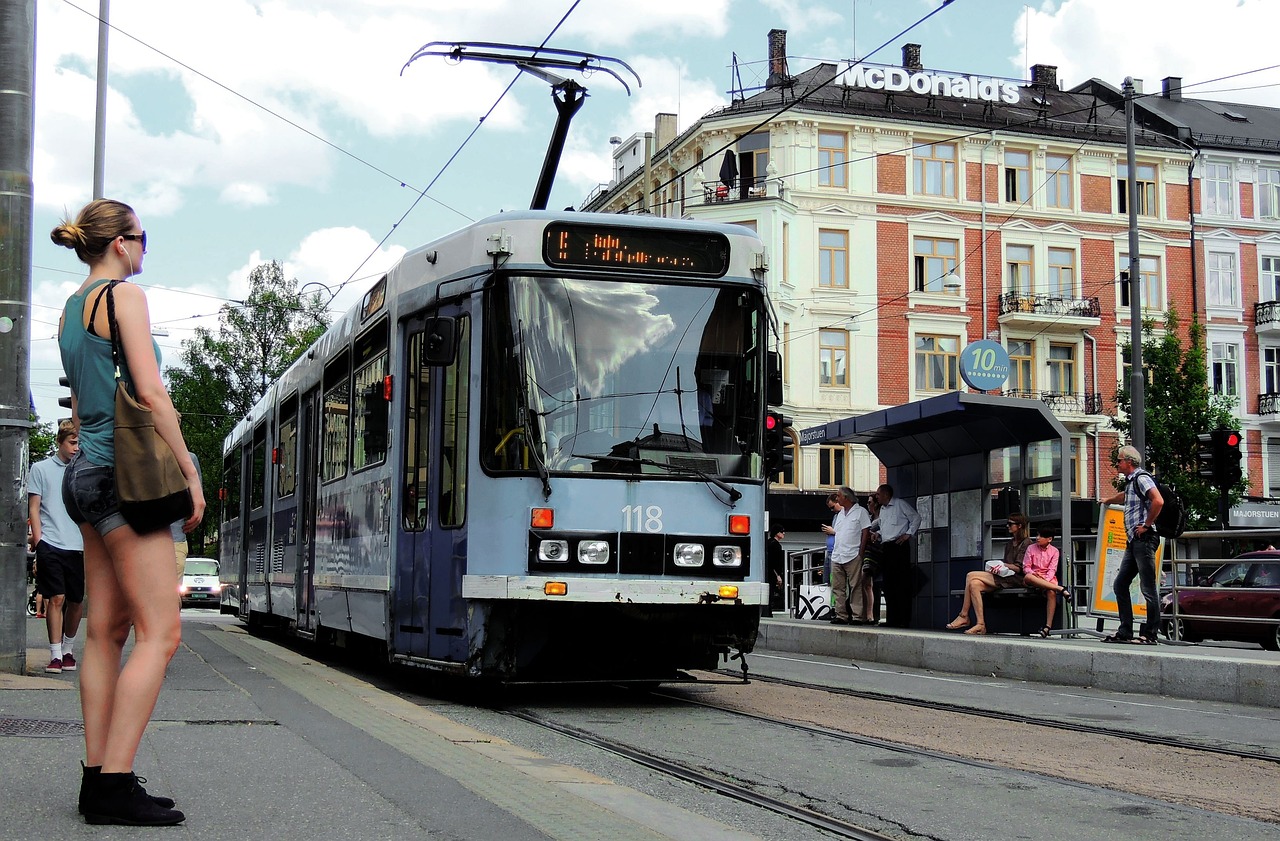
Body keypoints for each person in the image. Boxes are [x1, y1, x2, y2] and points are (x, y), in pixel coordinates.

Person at [53, 198, 204, 826]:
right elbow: (149, 391)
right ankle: (114, 785)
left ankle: (98, 778)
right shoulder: (124, 298)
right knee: (161, 634)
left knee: (106, 632)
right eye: (143, 239)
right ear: (120, 243)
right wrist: (190, 469)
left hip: (83, 475)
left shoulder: (69, 309)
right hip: (126, 479)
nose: (145, 251)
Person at [29, 421, 86, 674]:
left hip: (78, 544)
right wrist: (39, 542)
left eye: (79, 444)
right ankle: (55, 654)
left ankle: (68, 649)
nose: (76, 448)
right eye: (72, 443)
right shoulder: (40, 469)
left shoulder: (83, 469)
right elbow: (34, 508)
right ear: (60, 442)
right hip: (50, 542)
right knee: (56, 597)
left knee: (75, 601)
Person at [1101, 445, 1164, 645]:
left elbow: (1158, 501)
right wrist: (1108, 500)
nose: (1117, 463)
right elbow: (1125, 497)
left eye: (1119, 460)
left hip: (1144, 540)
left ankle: (1150, 634)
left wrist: (1147, 525)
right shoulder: (1131, 483)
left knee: (1147, 587)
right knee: (1120, 584)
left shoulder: (1141, 478)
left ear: (1129, 461)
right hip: (1134, 541)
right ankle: (1125, 631)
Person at [946, 513, 1032, 635]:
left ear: (1019, 526)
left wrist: (1002, 565)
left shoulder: (1027, 543)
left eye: (1010, 524)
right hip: (1005, 577)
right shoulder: (1009, 543)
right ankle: (980, 624)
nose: (1007, 526)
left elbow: (1019, 568)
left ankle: (964, 615)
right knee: (974, 584)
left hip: (1016, 578)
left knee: (971, 575)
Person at [874, 483, 920, 628]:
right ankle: (891, 619)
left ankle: (903, 620)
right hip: (887, 546)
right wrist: (877, 534)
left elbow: (916, 518)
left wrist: (909, 534)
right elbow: (885, 528)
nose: (877, 497)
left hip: (899, 545)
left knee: (902, 584)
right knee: (888, 584)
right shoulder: (882, 509)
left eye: (878, 494)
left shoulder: (900, 504)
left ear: (886, 495)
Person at [824, 486, 870, 625]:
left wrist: (860, 552)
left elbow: (865, 532)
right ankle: (841, 615)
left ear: (846, 497)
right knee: (838, 587)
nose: (837, 498)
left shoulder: (861, 512)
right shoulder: (840, 514)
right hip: (838, 554)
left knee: (855, 586)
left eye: (839, 496)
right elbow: (838, 532)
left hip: (853, 553)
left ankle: (857, 616)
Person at [1022, 525, 1068, 637]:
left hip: (1048, 578)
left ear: (1050, 539)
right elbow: (1026, 567)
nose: (1038, 538)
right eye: (1037, 535)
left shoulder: (1055, 551)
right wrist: (1034, 574)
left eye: (1041, 536)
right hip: (1033, 577)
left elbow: (1052, 569)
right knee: (1028, 577)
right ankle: (1061, 589)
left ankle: (1047, 627)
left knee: (1051, 592)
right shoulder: (1031, 548)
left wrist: (1045, 580)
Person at [170, 446, 202, 580]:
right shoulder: (188, 459)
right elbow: (196, 506)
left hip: (138, 537)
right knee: (170, 595)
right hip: (175, 537)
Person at [862, 494, 884, 624]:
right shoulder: (869, 518)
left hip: (877, 552)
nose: (868, 505)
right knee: (866, 582)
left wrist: (874, 534)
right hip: (868, 553)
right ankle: (867, 614)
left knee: (869, 582)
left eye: (870, 502)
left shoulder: (881, 517)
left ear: (876, 503)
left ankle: (871, 615)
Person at [765, 526, 786, 615]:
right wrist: (778, 575)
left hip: (768, 572)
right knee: (770, 592)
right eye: (782, 531)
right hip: (772, 573)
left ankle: (767, 612)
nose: (784, 533)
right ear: (777, 533)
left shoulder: (768, 543)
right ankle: (768, 612)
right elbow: (774, 562)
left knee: (769, 593)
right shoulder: (775, 545)